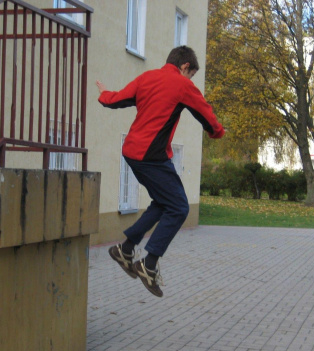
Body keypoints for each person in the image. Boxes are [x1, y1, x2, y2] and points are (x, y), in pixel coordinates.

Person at [96, 45, 225, 297]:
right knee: (179, 207)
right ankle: (149, 263)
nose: (190, 81)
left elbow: (117, 99)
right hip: (151, 156)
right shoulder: (181, 84)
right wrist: (217, 132)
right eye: (191, 75)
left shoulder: (147, 77)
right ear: (185, 66)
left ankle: (126, 249)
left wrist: (104, 94)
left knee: (163, 203)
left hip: (132, 151)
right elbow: (206, 115)